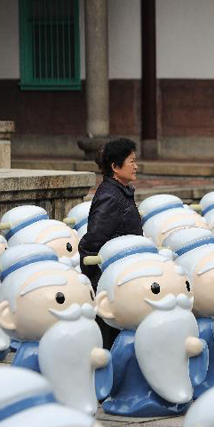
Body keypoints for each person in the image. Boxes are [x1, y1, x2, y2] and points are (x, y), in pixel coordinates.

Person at [79, 138, 142, 348]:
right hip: (112, 280)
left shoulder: (120, 192)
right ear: (115, 167)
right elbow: (92, 241)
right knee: (109, 338)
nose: (136, 166)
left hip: (123, 274)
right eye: (131, 161)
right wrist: (94, 278)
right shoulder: (110, 197)